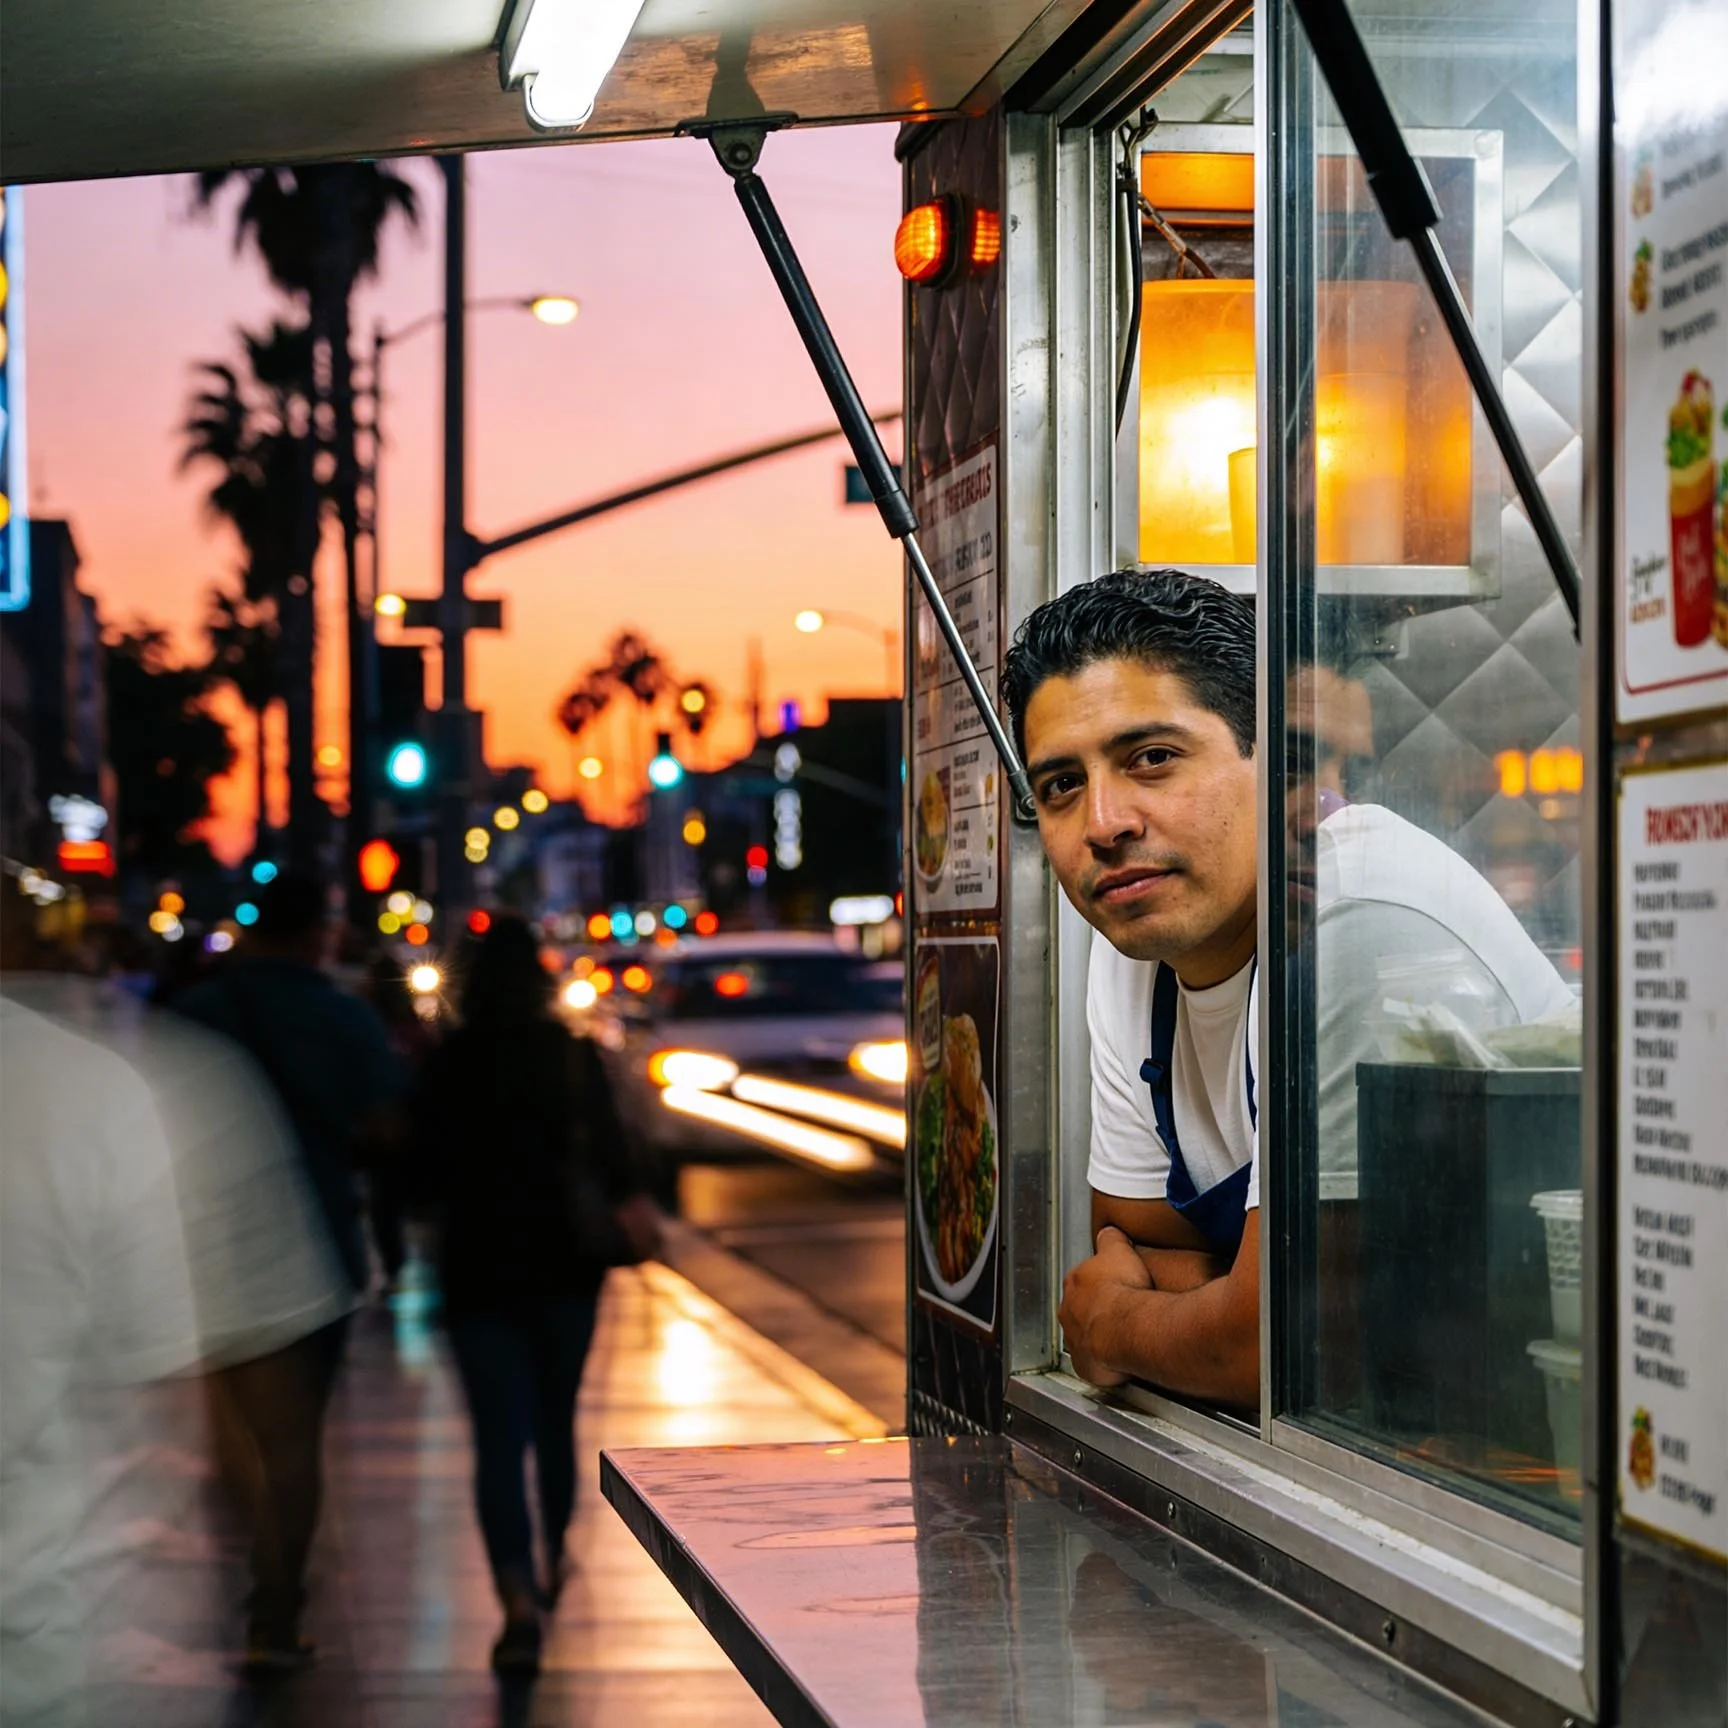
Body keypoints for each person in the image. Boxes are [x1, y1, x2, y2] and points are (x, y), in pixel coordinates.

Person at [1000, 568, 1571, 1406]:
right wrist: (1219, 1312)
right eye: (1062, 785)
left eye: (1152, 758)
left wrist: (1116, 1328)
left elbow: (1291, 1347)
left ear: (1272, 764)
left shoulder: (1351, 917)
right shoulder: (1137, 934)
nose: (1104, 823)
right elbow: (1127, 1239)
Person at [1, 902, 350, 1717]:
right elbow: (237, 1397)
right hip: (69, 1656)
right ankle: (275, 1612)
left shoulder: (142, 1066)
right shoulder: (128, 1083)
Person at [414, 916, 660, 1675]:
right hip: (565, 1260)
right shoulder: (572, 1056)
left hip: (478, 1267)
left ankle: (516, 1597)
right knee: (557, 1422)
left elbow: (421, 1173)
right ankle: (553, 1557)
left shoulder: (450, 1060)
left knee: (496, 1438)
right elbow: (617, 1162)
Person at [171, 870, 404, 1666]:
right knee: (295, 1439)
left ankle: (257, 1565)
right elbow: (387, 1124)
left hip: (209, 1250)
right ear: (318, 935)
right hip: (313, 1248)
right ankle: (276, 1604)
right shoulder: (342, 1018)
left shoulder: (195, 1015)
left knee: (231, 1429)